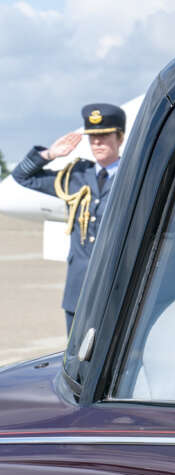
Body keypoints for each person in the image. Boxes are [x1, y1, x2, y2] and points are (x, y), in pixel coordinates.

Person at [13, 103, 126, 332]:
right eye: (93, 137)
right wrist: (50, 154)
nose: (97, 143)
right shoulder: (75, 176)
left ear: (120, 137)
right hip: (78, 290)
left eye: (104, 136)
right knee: (74, 361)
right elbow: (23, 176)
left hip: (117, 288)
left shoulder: (131, 176)